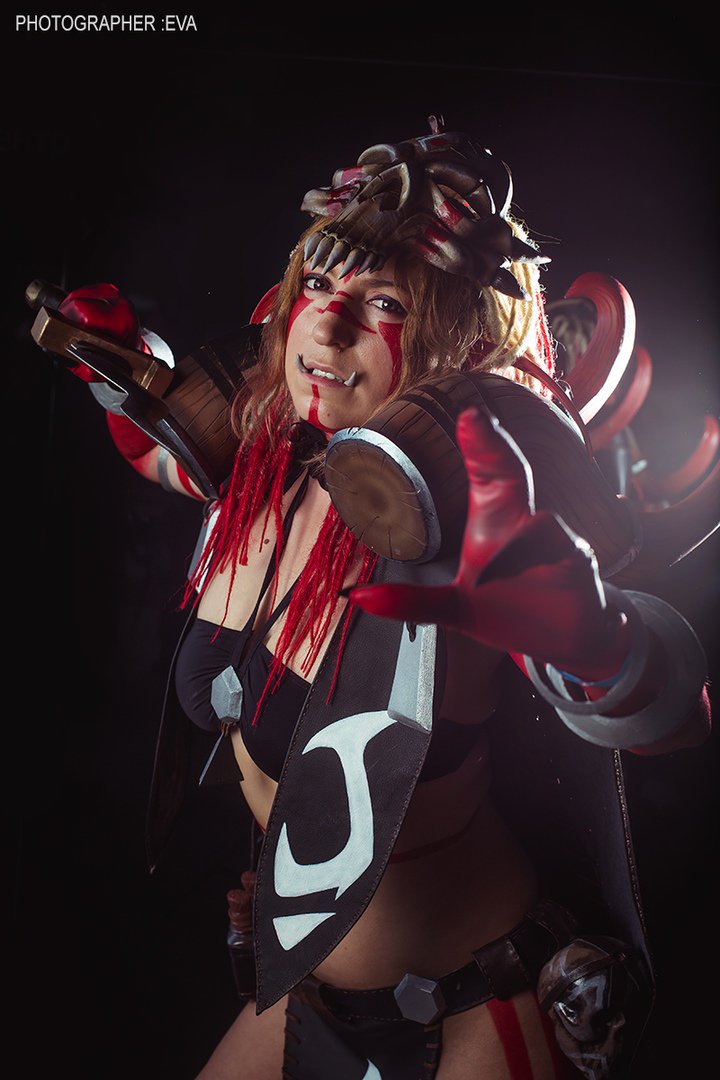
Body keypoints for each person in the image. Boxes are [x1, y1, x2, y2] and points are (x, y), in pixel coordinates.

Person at [47, 125, 713, 1079]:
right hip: (303, 991)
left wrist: (591, 637)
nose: (326, 327)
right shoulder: (262, 467)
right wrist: (116, 367)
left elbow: (671, 716)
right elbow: (165, 447)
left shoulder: (463, 525)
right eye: (319, 283)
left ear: (455, 341)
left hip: (478, 1006)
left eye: (385, 303)